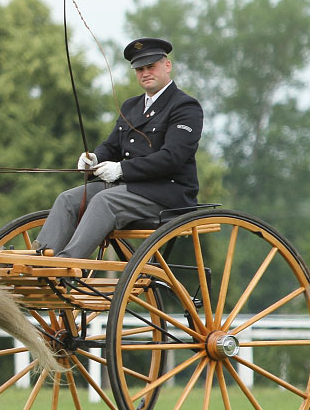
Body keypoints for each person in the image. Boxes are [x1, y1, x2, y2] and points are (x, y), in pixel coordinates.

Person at [34, 37, 204, 259]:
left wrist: (122, 170)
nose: (145, 73)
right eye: (139, 69)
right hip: (128, 188)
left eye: (151, 66)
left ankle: (67, 266)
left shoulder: (184, 106)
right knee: (68, 199)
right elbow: (112, 145)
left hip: (166, 194)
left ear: (167, 65)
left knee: (104, 201)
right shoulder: (131, 105)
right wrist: (94, 158)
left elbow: (172, 157)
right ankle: (39, 261)